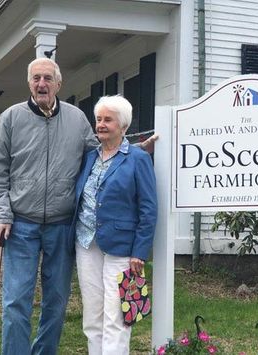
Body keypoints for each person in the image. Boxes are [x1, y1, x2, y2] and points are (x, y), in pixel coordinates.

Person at [0, 58, 156, 355]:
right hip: (21, 225)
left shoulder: (77, 119)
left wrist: (139, 150)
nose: (42, 84)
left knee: (56, 302)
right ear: (29, 83)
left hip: (62, 227)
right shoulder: (11, 118)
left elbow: (106, 150)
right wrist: (1, 215)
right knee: (15, 302)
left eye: (48, 78)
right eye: (36, 78)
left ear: (58, 84)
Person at [72, 95, 157, 354]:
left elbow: (148, 207)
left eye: (108, 120)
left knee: (117, 317)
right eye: (98, 119)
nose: (101, 124)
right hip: (86, 243)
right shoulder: (89, 157)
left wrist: (140, 251)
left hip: (122, 248)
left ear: (123, 126)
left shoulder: (138, 159)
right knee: (92, 316)